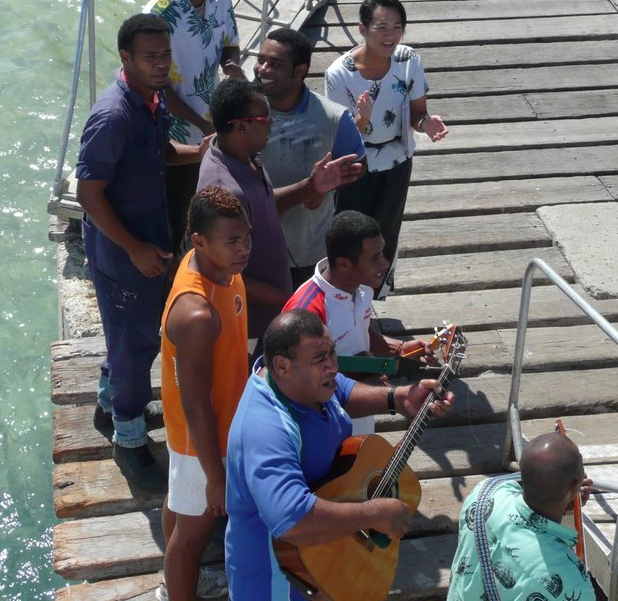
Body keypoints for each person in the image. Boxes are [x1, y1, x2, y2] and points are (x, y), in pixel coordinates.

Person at [223, 309, 454, 601]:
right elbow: (293, 519)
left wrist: (399, 397)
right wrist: (373, 513)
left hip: (328, 563)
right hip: (277, 583)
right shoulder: (265, 430)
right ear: (282, 366)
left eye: (332, 353)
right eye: (320, 360)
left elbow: (340, 391)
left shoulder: (308, 383)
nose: (332, 366)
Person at [75, 13, 208, 490]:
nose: (161, 65)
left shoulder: (150, 102)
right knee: (136, 344)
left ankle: (110, 403)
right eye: (151, 57)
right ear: (125, 58)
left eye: (166, 56)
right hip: (123, 254)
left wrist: (201, 151)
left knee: (132, 337)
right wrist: (132, 249)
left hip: (149, 241)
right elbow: (89, 193)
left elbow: (161, 153)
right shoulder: (112, 115)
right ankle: (129, 440)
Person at [196, 78, 363, 347]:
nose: (272, 123)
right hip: (249, 325)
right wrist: (291, 300)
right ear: (241, 126)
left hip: (273, 313)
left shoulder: (243, 155)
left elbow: (263, 205)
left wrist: (310, 187)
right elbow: (224, 274)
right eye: (266, 118)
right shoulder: (224, 190)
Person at [155, 186, 251, 601]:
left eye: (246, 236)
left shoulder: (218, 266)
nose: (244, 248)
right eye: (233, 241)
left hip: (210, 430)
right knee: (192, 537)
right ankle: (177, 591)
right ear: (199, 240)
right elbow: (196, 406)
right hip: (202, 441)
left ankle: (173, 583)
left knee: (181, 511)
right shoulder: (195, 314)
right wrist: (215, 476)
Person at [324, 0, 448, 299]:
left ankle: (372, 302)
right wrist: (362, 121)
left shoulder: (409, 61)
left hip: (397, 163)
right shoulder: (339, 74)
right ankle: (341, 298)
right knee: (351, 238)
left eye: (396, 27)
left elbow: (417, 114)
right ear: (363, 29)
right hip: (355, 167)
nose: (390, 35)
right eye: (381, 27)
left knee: (384, 234)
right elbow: (339, 137)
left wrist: (427, 125)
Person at [283, 211, 433, 434]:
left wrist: (399, 348)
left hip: (360, 420)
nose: (385, 262)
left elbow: (358, 332)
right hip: (322, 430)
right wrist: (385, 392)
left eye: (383, 252)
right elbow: (296, 384)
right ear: (343, 264)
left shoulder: (362, 287)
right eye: (375, 257)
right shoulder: (306, 312)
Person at [147, 0, 246, 255]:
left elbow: (230, 44)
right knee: (172, 215)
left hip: (210, 128)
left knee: (203, 212)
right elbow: (156, 84)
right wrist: (204, 127)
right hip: (175, 135)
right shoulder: (159, 13)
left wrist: (231, 66)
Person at [255, 28, 367, 289]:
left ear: (299, 70)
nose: (262, 69)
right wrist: (310, 187)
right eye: (261, 60)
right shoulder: (244, 114)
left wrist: (330, 183)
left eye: (275, 64)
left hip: (311, 253)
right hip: (251, 252)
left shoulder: (334, 117)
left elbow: (359, 166)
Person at [447, 433, 595, 601]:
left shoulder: (483, 494)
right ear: (575, 484)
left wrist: (565, 501)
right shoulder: (572, 583)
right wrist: (564, 496)